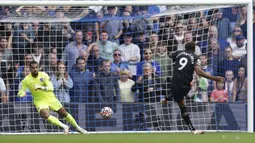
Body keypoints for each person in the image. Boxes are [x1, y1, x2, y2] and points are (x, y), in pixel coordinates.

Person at [161, 42, 224, 134]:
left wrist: (174, 57)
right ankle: (193, 130)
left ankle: (166, 98)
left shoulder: (179, 52)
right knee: (189, 89)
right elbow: (199, 71)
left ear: (185, 48)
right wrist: (214, 78)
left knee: (182, 105)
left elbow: (170, 55)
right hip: (185, 86)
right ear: (194, 49)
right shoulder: (195, 57)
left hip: (174, 83)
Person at [17, 61, 88, 134]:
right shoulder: (26, 80)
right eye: (33, 68)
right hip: (39, 101)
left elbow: (51, 87)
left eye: (36, 67)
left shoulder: (43, 75)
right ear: (30, 68)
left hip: (50, 98)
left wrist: (41, 87)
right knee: (44, 114)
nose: (35, 69)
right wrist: (22, 93)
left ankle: (78, 128)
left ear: (38, 68)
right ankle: (64, 126)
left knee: (64, 113)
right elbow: (21, 91)